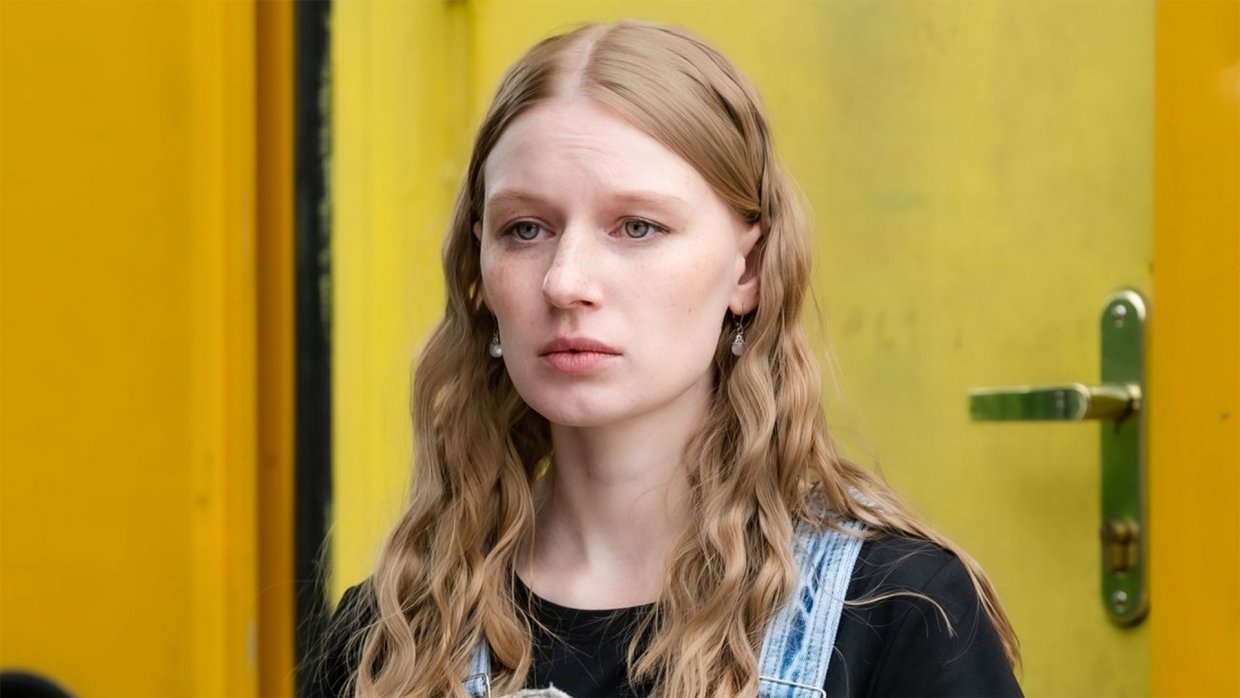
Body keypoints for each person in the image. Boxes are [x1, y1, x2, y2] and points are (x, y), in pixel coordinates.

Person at [308, 20, 1022, 698]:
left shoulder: (898, 610)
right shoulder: (393, 634)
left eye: (638, 227)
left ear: (749, 270)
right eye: (525, 229)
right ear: (480, 267)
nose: (565, 281)